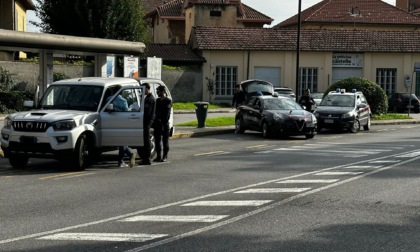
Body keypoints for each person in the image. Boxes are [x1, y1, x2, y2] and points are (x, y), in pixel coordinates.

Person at [106, 85, 136, 168]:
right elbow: (126, 113)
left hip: (110, 123)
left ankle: (127, 156)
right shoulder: (123, 101)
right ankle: (124, 158)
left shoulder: (108, 99)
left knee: (121, 142)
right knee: (122, 142)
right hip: (121, 123)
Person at [153, 85, 172, 162]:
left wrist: (162, 121)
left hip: (164, 124)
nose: (157, 93)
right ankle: (158, 156)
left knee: (165, 141)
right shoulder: (157, 100)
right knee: (157, 141)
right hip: (157, 123)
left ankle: (165, 156)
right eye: (157, 91)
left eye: (159, 91)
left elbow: (167, 114)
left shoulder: (168, 101)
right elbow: (155, 111)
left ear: (163, 92)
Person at [138, 83, 155, 165]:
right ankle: (144, 157)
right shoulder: (147, 98)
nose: (142, 91)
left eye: (143, 89)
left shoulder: (150, 99)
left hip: (147, 122)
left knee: (146, 140)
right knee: (144, 140)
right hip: (145, 121)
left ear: (147, 89)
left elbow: (147, 112)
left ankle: (147, 158)